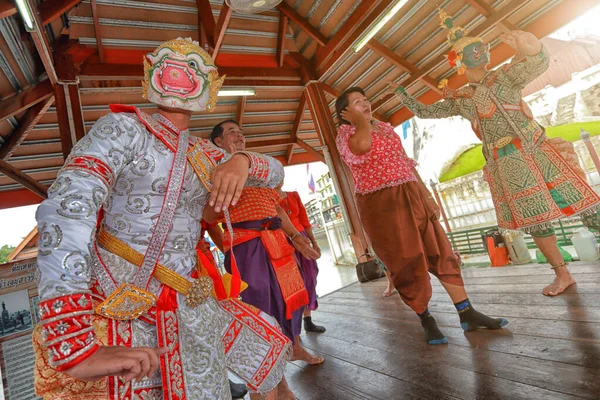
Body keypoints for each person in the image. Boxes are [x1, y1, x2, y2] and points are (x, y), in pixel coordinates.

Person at [33, 38, 291, 400]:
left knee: (231, 370)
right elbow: (67, 208)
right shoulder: (123, 129)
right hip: (117, 294)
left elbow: (277, 173)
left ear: (211, 86)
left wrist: (243, 160)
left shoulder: (204, 153)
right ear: (151, 73)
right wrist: (73, 343)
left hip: (188, 299)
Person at [393, 8, 600, 296]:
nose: (482, 51)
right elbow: (428, 111)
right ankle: (562, 274)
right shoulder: (463, 98)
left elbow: (535, 64)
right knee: (536, 218)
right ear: (459, 62)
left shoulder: (504, 76)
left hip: (534, 146)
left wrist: (535, 48)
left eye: (483, 47)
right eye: (473, 49)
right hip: (506, 161)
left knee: (586, 203)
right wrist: (404, 97)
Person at [335, 86, 508, 345]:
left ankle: (467, 313)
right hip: (380, 203)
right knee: (406, 259)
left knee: (440, 249)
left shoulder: (384, 127)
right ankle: (426, 317)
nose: (366, 104)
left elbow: (405, 162)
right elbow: (361, 147)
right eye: (358, 103)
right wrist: (360, 122)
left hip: (411, 192)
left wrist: (426, 195)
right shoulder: (346, 134)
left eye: (366, 99)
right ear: (345, 114)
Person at [206, 120, 324, 400]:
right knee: (259, 315)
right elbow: (208, 217)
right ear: (219, 142)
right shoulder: (214, 172)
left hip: (279, 244)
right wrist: (226, 246)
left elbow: (277, 210)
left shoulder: (260, 171)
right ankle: (265, 389)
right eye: (232, 131)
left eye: (242, 131)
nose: (240, 134)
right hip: (247, 249)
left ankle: (284, 376)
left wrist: (297, 238)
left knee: (289, 307)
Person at [277, 187, 326, 333]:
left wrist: (314, 242)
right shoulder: (268, 196)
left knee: (310, 276)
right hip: (282, 242)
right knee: (291, 282)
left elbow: (304, 220)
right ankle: (294, 327)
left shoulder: (293, 195)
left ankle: (308, 320)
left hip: (302, 238)